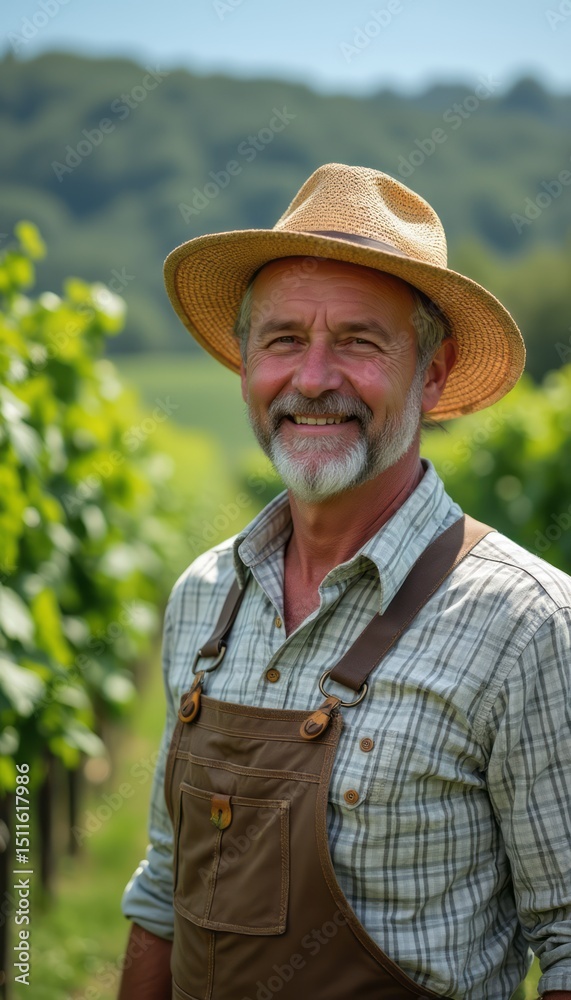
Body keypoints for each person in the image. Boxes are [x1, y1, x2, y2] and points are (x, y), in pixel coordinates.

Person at [118, 163, 571, 999]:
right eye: (284, 339)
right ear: (247, 365)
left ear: (432, 376)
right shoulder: (202, 593)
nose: (314, 379)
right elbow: (162, 895)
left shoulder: (528, 624)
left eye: (359, 342)